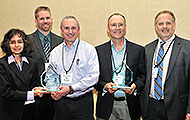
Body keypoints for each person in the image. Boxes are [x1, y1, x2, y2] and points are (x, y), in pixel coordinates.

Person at [141, 10, 190, 120]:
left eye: (168, 23)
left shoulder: (187, 48)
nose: (164, 27)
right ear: (155, 27)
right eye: (160, 24)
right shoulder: (147, 49)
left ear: (174, 25)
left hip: (177, 108)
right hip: (151, 107)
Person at [95, 13, 145, 120]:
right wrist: (104, 86)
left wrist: (135, 86)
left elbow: (142, 76)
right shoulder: (98, 51)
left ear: (125, 27)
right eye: (113, 25)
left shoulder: (138, 50)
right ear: (108, 29)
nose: (117, 28)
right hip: (106, 106)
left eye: (120, 25)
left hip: (129, 105)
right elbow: (93, 78)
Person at [49, 15, 99, 120]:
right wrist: (53, 90)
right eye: (66, 28)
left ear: (79, 30)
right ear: (61, 30)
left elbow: (93, 77)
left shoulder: (89, 50)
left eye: (73, 28)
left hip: (83, 102)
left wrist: (71, 88)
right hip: (61, 103)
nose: (70, 31)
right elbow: (50, 76)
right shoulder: (55, 52)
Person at [0, 28, 48, 120]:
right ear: (7, 44)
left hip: (32, 112)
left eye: (20, 42)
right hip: (11, 113)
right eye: (13, 42)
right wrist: (32, 94)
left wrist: (37, 89)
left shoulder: (33, 63)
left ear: (24, 43)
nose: (17, 45)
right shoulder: (2, 64)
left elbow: (34, 84)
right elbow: (6, 92)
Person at [28, 6, 63, 120]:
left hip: (57, 92)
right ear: (36, 21)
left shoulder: (61, 41)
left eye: (47, 18)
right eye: (42, 18)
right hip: (37, 93)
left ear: (52, 19)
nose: (45, 21)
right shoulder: (27, 41)